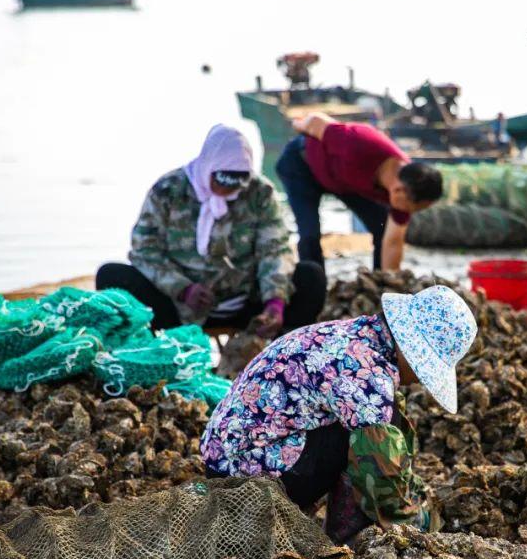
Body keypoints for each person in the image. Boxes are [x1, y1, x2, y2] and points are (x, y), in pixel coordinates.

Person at [200, 285, 477, 543]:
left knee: (375, 422)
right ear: (409, 348)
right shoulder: (369, 378)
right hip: (247, 482)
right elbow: (381, 478)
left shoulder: (354, 334)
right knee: (369, 439)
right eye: (423, 368)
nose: (418, 380)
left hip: (223, 457)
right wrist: (418, 526)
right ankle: (343, 536)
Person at [97, 124, 326, 336]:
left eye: (237, 183)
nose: (228, 189)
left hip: (246, 301)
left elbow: (275, 250)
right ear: (208, 167)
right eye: (222, 180)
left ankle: (277, 347)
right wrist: (183, 289)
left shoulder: (260, 193)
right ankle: (162, 346)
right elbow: (144, 251)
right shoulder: (168, 191)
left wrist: (274, 301)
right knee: (111, 276)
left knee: (310, 276)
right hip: (177, 307)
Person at [276, 113, 443, 271]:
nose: (409, 214)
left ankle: (379, 286)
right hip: (301, 165)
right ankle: (315, 290)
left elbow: (393, 241)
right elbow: (316, 122)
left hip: (344, 182)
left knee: (382, 226)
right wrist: (298, 123)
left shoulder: (406, 188)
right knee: (309, 234)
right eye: (412, 209)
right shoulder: (359, 144)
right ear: (399, 190)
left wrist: (392, 287)